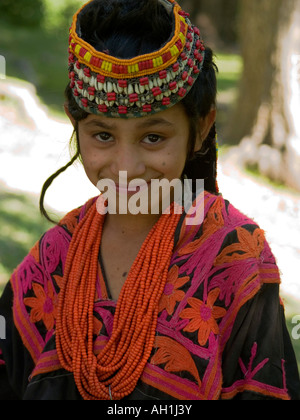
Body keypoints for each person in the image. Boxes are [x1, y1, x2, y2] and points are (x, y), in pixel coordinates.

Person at [0, 0, 299, 401]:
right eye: (103, 135)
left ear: (201, 127)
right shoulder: (51, 259)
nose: (126, 167)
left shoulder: (236, 261)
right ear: (76, 124)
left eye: (153, 137)